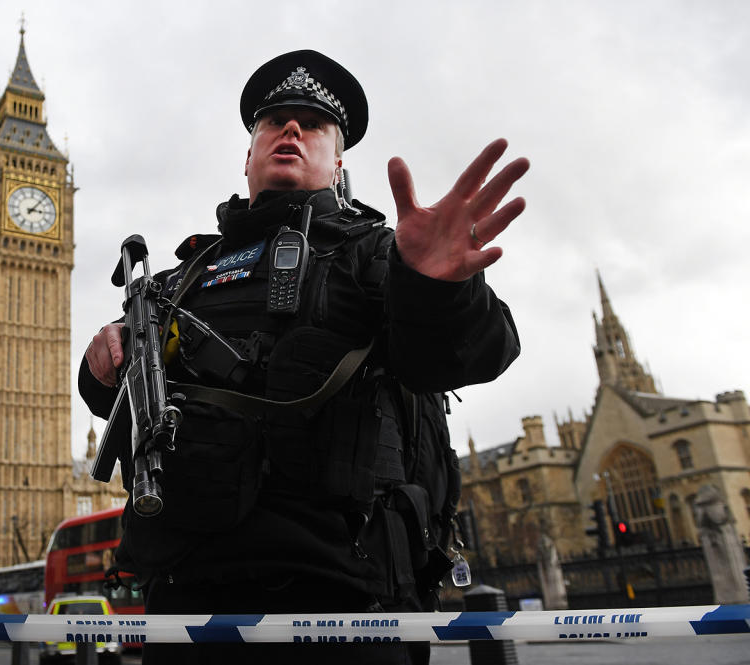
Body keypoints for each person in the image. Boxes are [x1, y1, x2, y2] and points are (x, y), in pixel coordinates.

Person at [79, 49, 528, 665]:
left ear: (337, 162)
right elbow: (128, 407)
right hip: (188, 604)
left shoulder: (378, 254)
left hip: (348, 603)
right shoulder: (184, 278)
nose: (291, 130)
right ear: (248, 155)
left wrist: (437, 286)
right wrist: (100, 368)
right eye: (275, 121)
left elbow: (472, 352)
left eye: (312, 125)